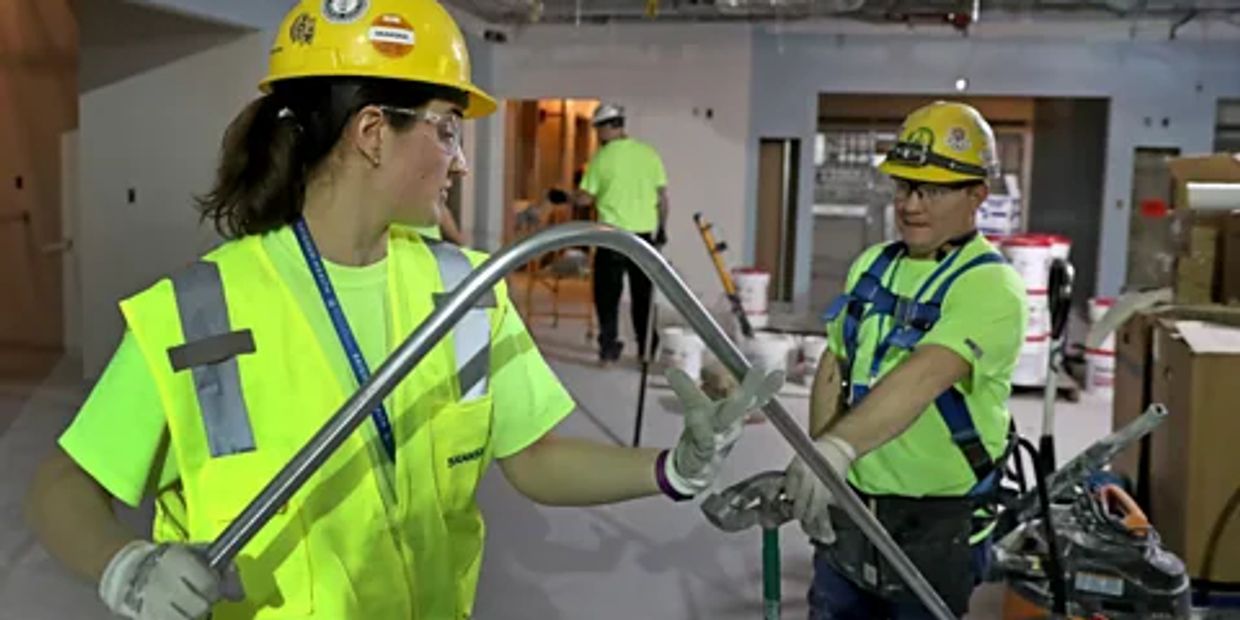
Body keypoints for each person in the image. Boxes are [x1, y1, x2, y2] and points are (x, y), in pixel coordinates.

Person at [21, 1, 784, 618]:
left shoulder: (466, 291)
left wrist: (672, 469)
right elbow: (63, 487)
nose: (458, 158)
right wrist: (125, 564)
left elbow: (533, 458)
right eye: (447, 128)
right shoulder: (197, 311)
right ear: (373, 133)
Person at [783, 101, 1029, 619]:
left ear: (977, 194)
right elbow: (836, 362)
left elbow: (925, 375)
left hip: (937, 522)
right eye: (903, 186)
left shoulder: (990, 286)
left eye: (933, 190)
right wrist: (821, 461)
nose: (912, 205)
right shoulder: (873, 265)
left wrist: (839, 447)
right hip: (852, 507)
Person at [575, 103, 670, 364]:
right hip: (643, 238)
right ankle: (646, 351)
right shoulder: (649, 154)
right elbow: (662, 199)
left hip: (611, 237)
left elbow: (584, 198)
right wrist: (661, 229)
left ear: (608, 127)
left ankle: (608, 350)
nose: (597, 135)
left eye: (598, 129)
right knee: (643, 297)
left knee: (607, 298)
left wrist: (566, 196)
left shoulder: (602, 159)